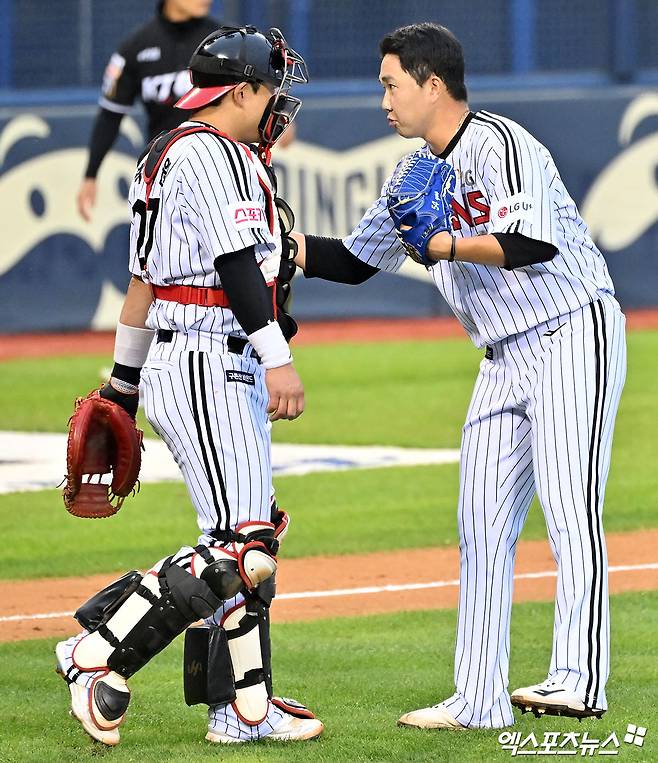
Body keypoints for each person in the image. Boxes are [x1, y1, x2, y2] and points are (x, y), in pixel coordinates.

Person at [292, 22, 626, 730]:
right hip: (502, 355)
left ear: (431, 82)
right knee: (480, 525)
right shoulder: (412, 172)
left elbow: (532, 242)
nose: (382, 98)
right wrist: (283, 245)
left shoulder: (500, 144)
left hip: (571, 329)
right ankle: (477, 698)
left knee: (569, 509)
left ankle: (579, 676)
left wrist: (441, 242)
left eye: (391, 83)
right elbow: (355, 260)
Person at [55, 25, 323, 746]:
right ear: (241, 92)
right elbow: (237, 269)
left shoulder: (169, 152)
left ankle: (243, 706)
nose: (278, 103)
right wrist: (277, 357)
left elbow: (142, 288)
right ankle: (96, 652)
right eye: (271, 89)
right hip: (210, 357)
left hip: (190, 353)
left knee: (249, 536)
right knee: (243, 546)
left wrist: (122, 386)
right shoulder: (211, 154)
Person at [76, 0, 218, 221]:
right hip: (164, 172)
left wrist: (271, 118)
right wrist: (90, 174)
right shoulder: (135, 48)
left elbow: (249, 93)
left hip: (217, 166)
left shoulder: (222, 41)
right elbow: (110, 115)